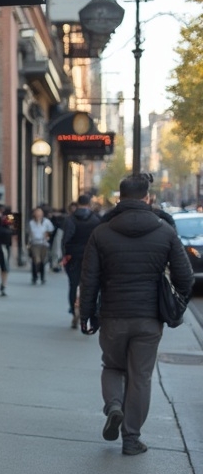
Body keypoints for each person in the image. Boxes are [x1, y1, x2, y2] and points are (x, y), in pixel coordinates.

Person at [78, 174, 193, 455]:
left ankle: (114, 406)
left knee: (113, 367)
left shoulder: (101, 232)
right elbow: (186, 278)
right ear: (147, 198)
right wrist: (173, 301)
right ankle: (131, 439)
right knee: (140, 377)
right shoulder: (164, 231)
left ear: (119, 198)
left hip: (113, 315)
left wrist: (86, 315)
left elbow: (89, 279)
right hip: (149, 317)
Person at [61, 195, 100, 328]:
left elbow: (66, 238)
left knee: (73, 285)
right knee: (90, 286)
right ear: (89, 204)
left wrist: (65, 255)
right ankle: (87, 312)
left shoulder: (70, 219)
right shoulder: (95, 219)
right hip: (91, 257)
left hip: (73, 257)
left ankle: (74, 310)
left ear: (77, 204)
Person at [26, 206, 55, 284]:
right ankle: (35, 276)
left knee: (42, 261)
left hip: (43, 243)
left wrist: (47, 235)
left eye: (40, 213)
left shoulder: (46, 222)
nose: (38, 215)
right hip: (35, 243)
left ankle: (42, 277)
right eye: (37, 213)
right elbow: (29, 233)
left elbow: (51, 230)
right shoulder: (31, 223)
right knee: (36, 260)